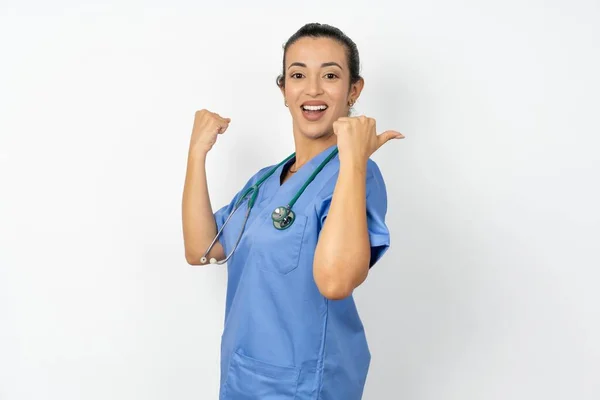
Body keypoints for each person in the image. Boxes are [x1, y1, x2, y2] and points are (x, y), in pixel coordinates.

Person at [182, 22, 404, 400]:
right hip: (241, 377)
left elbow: (336, 283)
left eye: (330, 75)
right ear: (284, 90)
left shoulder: (356, 175)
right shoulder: (264, 181)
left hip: (304, 384)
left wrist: (353, 159)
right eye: (298, 74)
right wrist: (196, 154)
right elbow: (202, 249)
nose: (313, 89)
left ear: (354, 90)